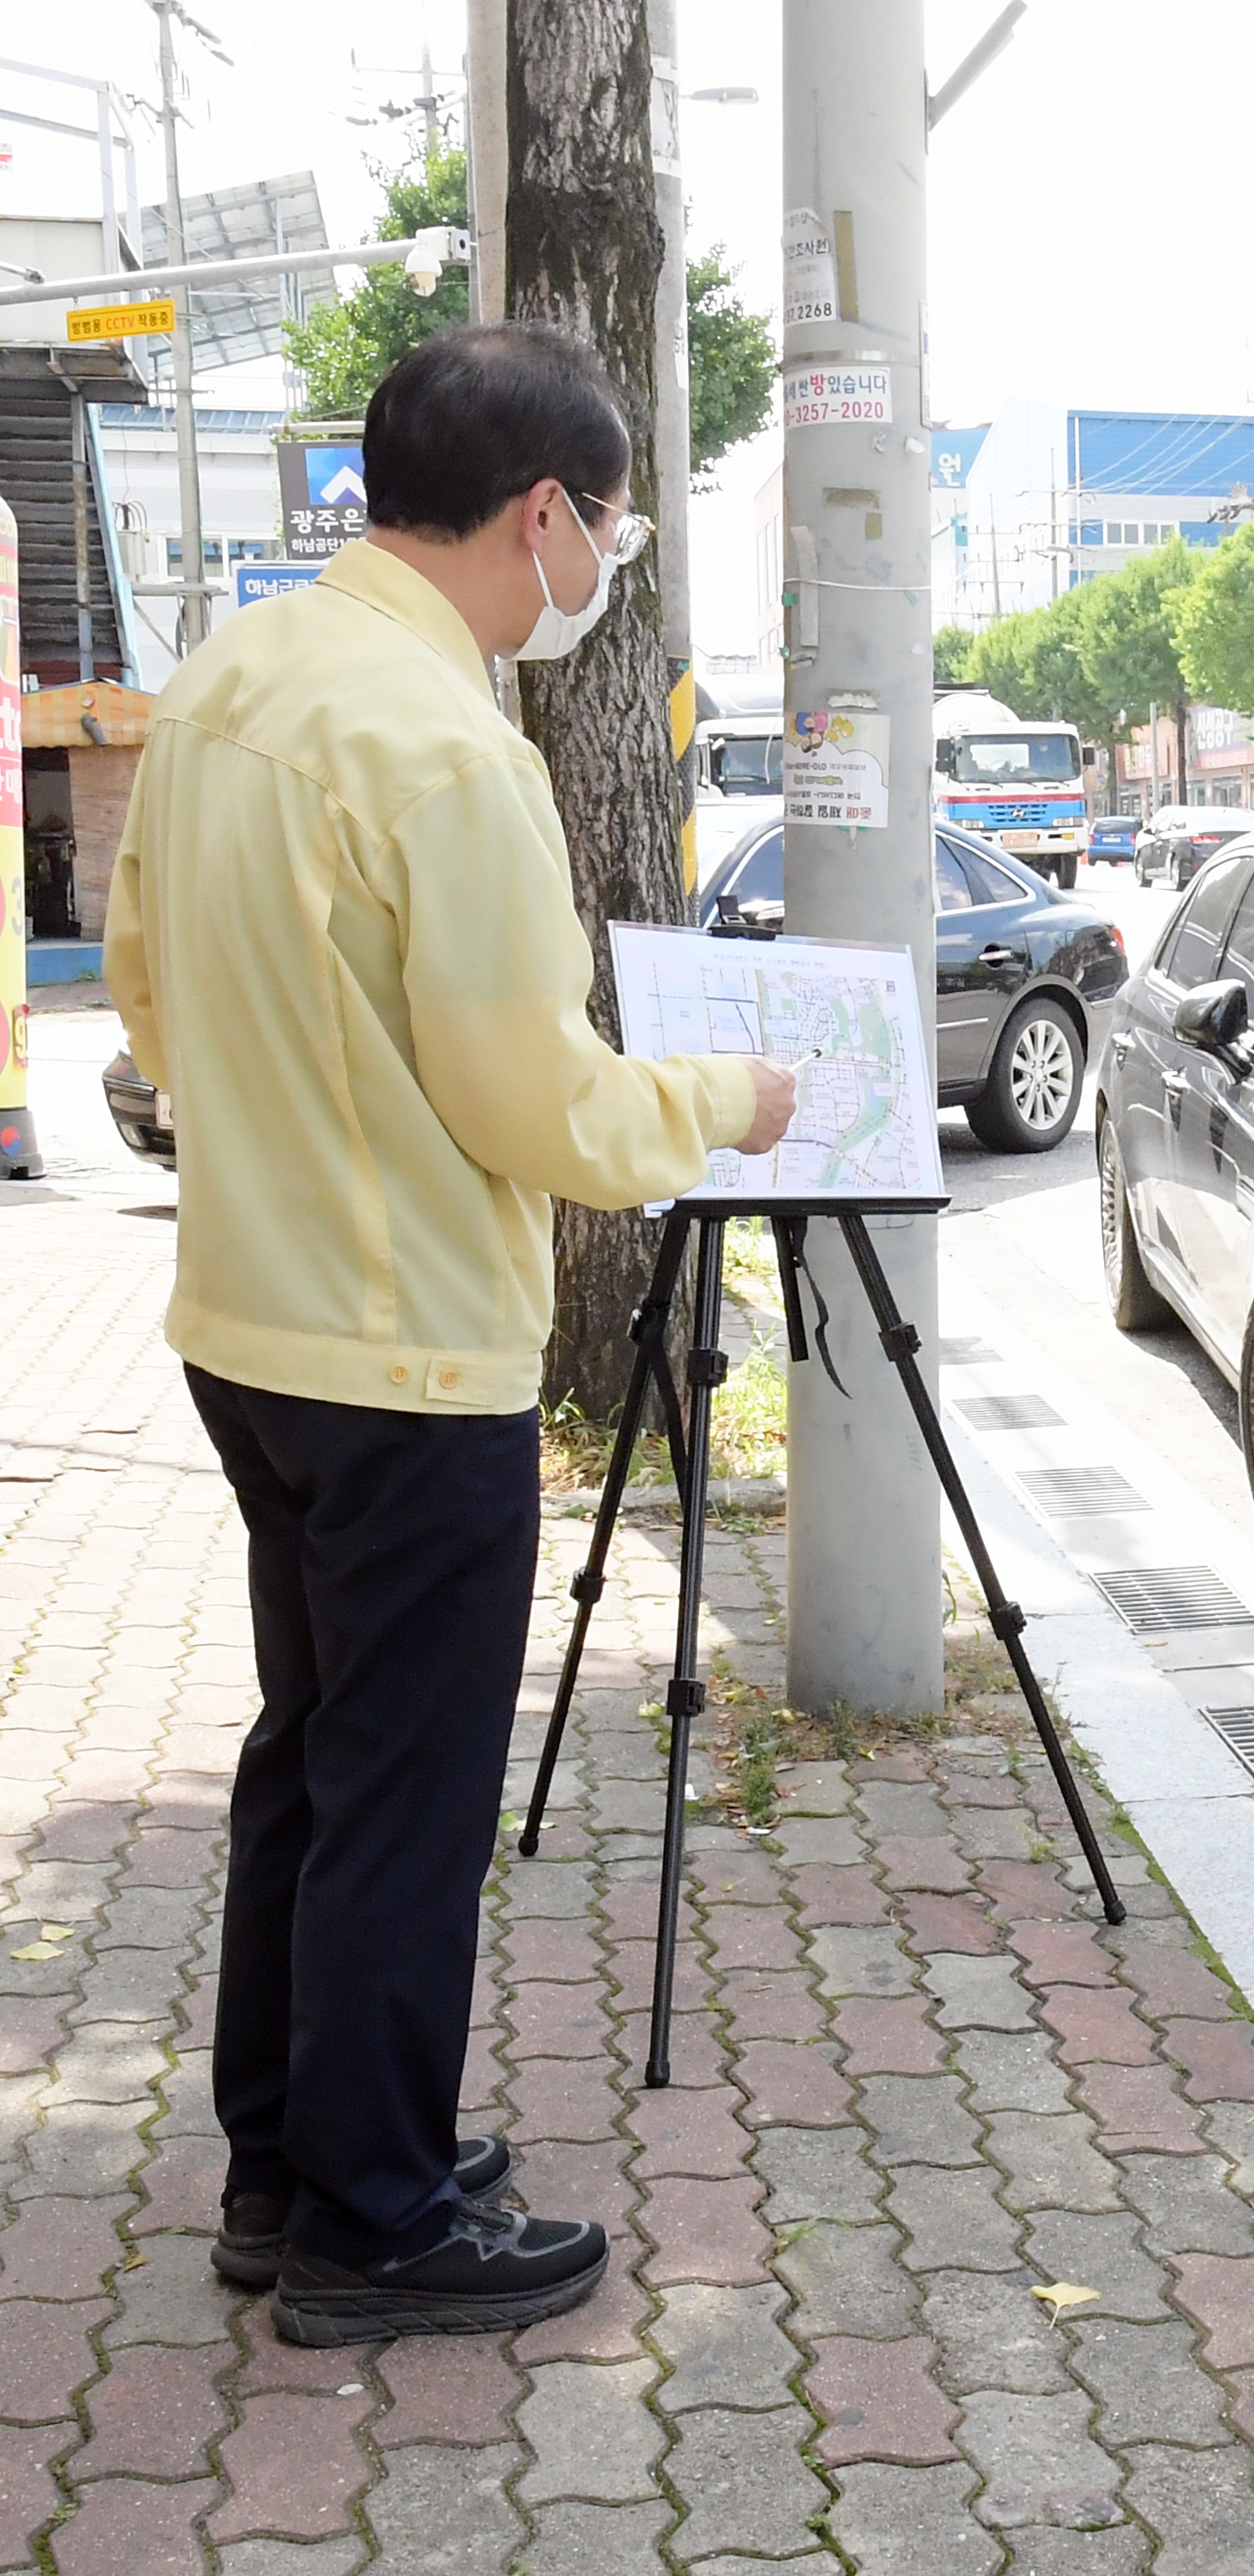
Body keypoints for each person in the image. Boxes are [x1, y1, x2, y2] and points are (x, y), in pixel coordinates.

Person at [103, 323, 798, 2345]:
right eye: (611, 524)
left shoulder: (227, 685)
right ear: (541, 514)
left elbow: (144, 998)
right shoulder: (449, 752)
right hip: (409, 1357)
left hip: (250, 1319)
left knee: (311, 1759)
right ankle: (377, 2216)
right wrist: (717, 1108)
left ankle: (289, 2160)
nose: (608, 563)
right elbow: (537, 1103)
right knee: (401, 1788)